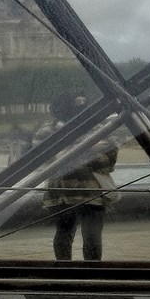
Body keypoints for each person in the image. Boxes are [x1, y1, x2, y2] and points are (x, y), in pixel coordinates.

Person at [42, 95, 116, 262]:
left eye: (84, 102)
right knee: (81, 236)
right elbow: (107, 159)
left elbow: (110, 158)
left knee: (72, 235)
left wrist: (70, 155)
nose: (82, 107)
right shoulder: (98, 128)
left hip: (65, 192)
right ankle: (86, 275)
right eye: (78, 103)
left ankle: (68, 273)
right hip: (88, 192)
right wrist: (89, 151)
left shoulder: (50, 129)